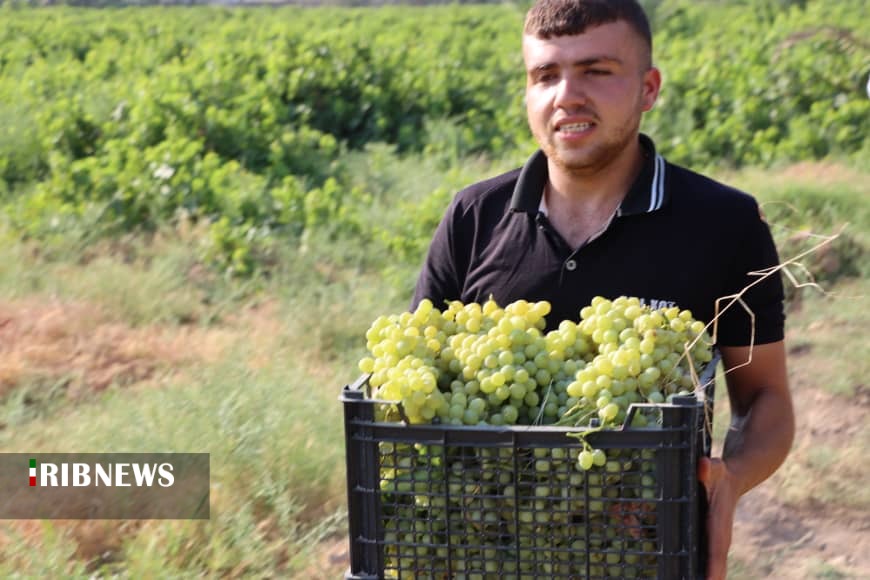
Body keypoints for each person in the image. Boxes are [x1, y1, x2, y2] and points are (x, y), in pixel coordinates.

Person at [411, 0, 795, 578]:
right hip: (487, 550)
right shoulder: (472, 216)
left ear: (648, 88)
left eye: (595, 70)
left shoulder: (725, 224)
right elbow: (418, 387)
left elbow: (766, 398)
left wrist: (733, 478)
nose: (567, 95)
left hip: (641, 551)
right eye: (546, 75)